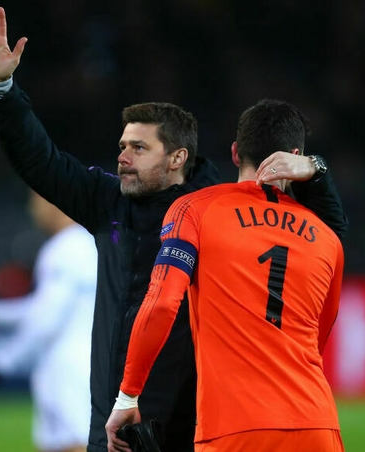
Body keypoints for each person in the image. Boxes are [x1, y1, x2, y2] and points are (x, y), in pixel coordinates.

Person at [0, 6, 348, 451]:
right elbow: (39, 160)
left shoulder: (213, 206)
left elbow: (326, 233)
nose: (123, 156)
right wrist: (1, 90)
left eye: (139, 147)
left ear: (177, 158)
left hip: (194, 422)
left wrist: (316, 170)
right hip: (118, 420)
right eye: (122, 146)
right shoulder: (106, 199)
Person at [106, 100, 345, 452]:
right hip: (317, 426)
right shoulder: (326, 237)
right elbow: (320, 337)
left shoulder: (194, 209)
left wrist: (128, 396)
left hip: (233, 430)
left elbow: (161, 304)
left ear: (235, 153)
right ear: (296, 156)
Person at [0, 190, 98, 452]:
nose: (33, 210)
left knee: (75, 443)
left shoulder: (68, 248)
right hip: (73, 366)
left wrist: (1, 365)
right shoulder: (80, 244)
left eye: (36, 202)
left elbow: (46, 319)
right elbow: (43, 308)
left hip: (70, 370)